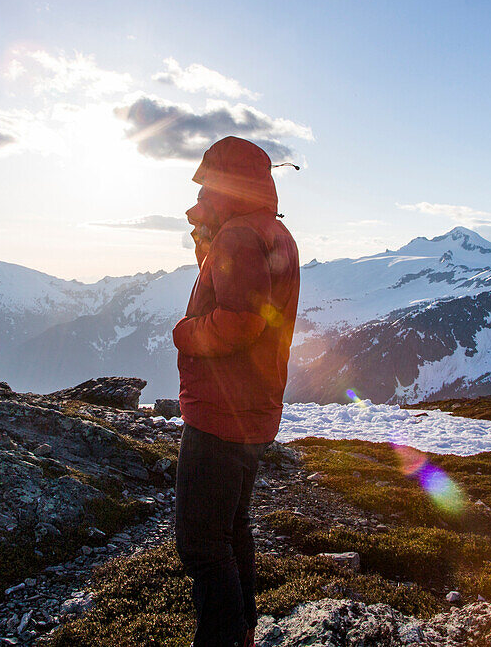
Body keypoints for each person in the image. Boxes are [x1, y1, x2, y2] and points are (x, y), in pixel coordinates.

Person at [173, 136, 300, 647]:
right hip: (253, 407)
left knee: (202, 546)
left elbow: (242, 320)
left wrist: (185, 333)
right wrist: (210, 246)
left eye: (207, 183)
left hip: (220, 413)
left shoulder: (240, 238)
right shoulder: (271, 233)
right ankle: (244, 631)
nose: (200, 193)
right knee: (231, 528)